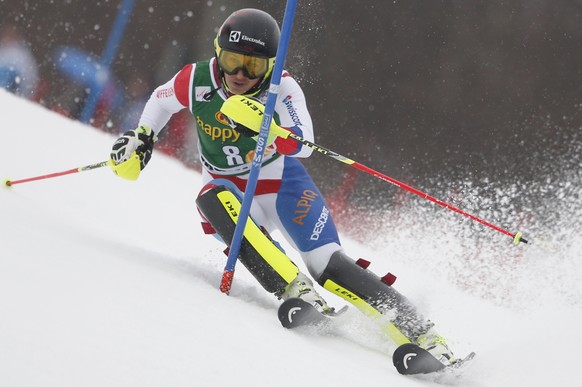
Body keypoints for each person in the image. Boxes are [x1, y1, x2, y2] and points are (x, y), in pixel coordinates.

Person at [108, 8, 458, 367]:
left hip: (280, 185)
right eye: (231, 61)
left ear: (270, 66)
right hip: (227, 188)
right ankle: (295, 289)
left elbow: (305, 143)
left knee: (329, 266)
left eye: (254, 66)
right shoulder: (196, 79)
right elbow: (161, 101)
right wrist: (143, 136)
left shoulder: (283, 88)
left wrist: (268, 128)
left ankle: (426, 337)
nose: (240, 74)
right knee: (210, 198)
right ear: (217, 54)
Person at [0, 24, 39, 99]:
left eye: (11, 35)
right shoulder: (2, 50)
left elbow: (29, 76)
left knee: (7, 74)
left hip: (15, 86)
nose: (8, 38)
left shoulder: (22, 54)